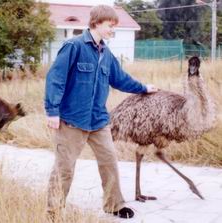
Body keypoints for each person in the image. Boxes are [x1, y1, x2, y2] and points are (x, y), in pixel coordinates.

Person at [44, 4, 158, 219]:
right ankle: (53, 212)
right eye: (110, 25)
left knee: (109, 163)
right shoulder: (73, 46)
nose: (112, 30)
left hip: (98, 121)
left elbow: (120, 79)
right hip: (71, 121)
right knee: (64, 169)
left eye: (114, 26)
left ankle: (113, 205)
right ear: (96, 23)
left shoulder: (106, 53)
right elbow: (55, 79)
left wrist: (144, 88)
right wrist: (52, 111)